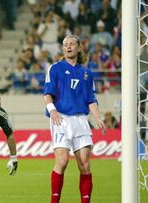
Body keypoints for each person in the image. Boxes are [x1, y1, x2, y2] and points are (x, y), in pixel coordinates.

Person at [43, 35, 106, 203]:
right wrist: (53, 110)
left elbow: (91, 99)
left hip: (80, 120)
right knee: (62, 161)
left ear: (79, 47)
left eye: (72, 44)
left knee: (84, 165)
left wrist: (98, 118)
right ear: (63, 49)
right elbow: (47, 94)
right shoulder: (55, 69)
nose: (68, 46)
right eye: (65, 44)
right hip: (60, 119)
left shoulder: (86, 73)